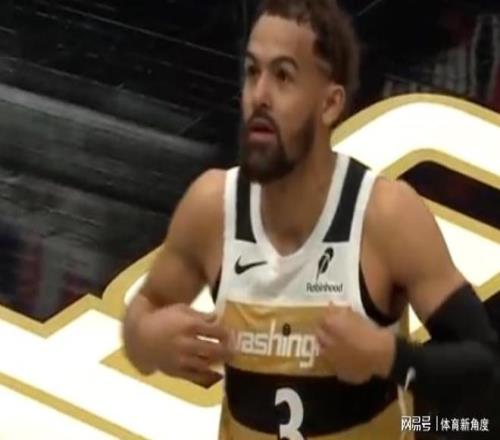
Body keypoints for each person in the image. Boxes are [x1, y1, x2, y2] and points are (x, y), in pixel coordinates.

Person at [122, 0, 499, 438]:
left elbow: (485, 369)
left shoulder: (384, 217)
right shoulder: (212, 208)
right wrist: (147, 339)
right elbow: (143, 312)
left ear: (330, 104)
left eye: (283, 76)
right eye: (252, 72)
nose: (259, 95)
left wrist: (388, 357)